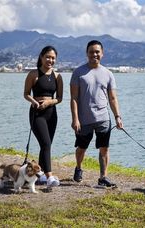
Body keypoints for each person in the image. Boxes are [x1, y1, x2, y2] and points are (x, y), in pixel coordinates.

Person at [70, 40, 123, 187]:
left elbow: (113, 98)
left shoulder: (108, 74)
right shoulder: (78, 73)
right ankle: (79, 168)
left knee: (104, 148)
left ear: (102, 53)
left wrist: (117, 116)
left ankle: (103, 177)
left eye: (97, 52)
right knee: (81, 148)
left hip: (103, 118)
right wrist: (75, 119)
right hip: (83, 119)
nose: (94, 54)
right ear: (87, 53)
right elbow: (74, 98)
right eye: (91, 52)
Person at [24, 45, 63, 187]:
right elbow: (26, 93)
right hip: (37, 113)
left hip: (51, 114)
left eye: (53, 58)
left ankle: (39, 176)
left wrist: (49, 102)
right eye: (48, 57)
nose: (50, 60)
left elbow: (59, 98)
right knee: (46, 143)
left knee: (46, 145)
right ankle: (50, 177)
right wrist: (34, 102)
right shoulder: (33, 74)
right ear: (41, 57)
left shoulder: (57, 76)